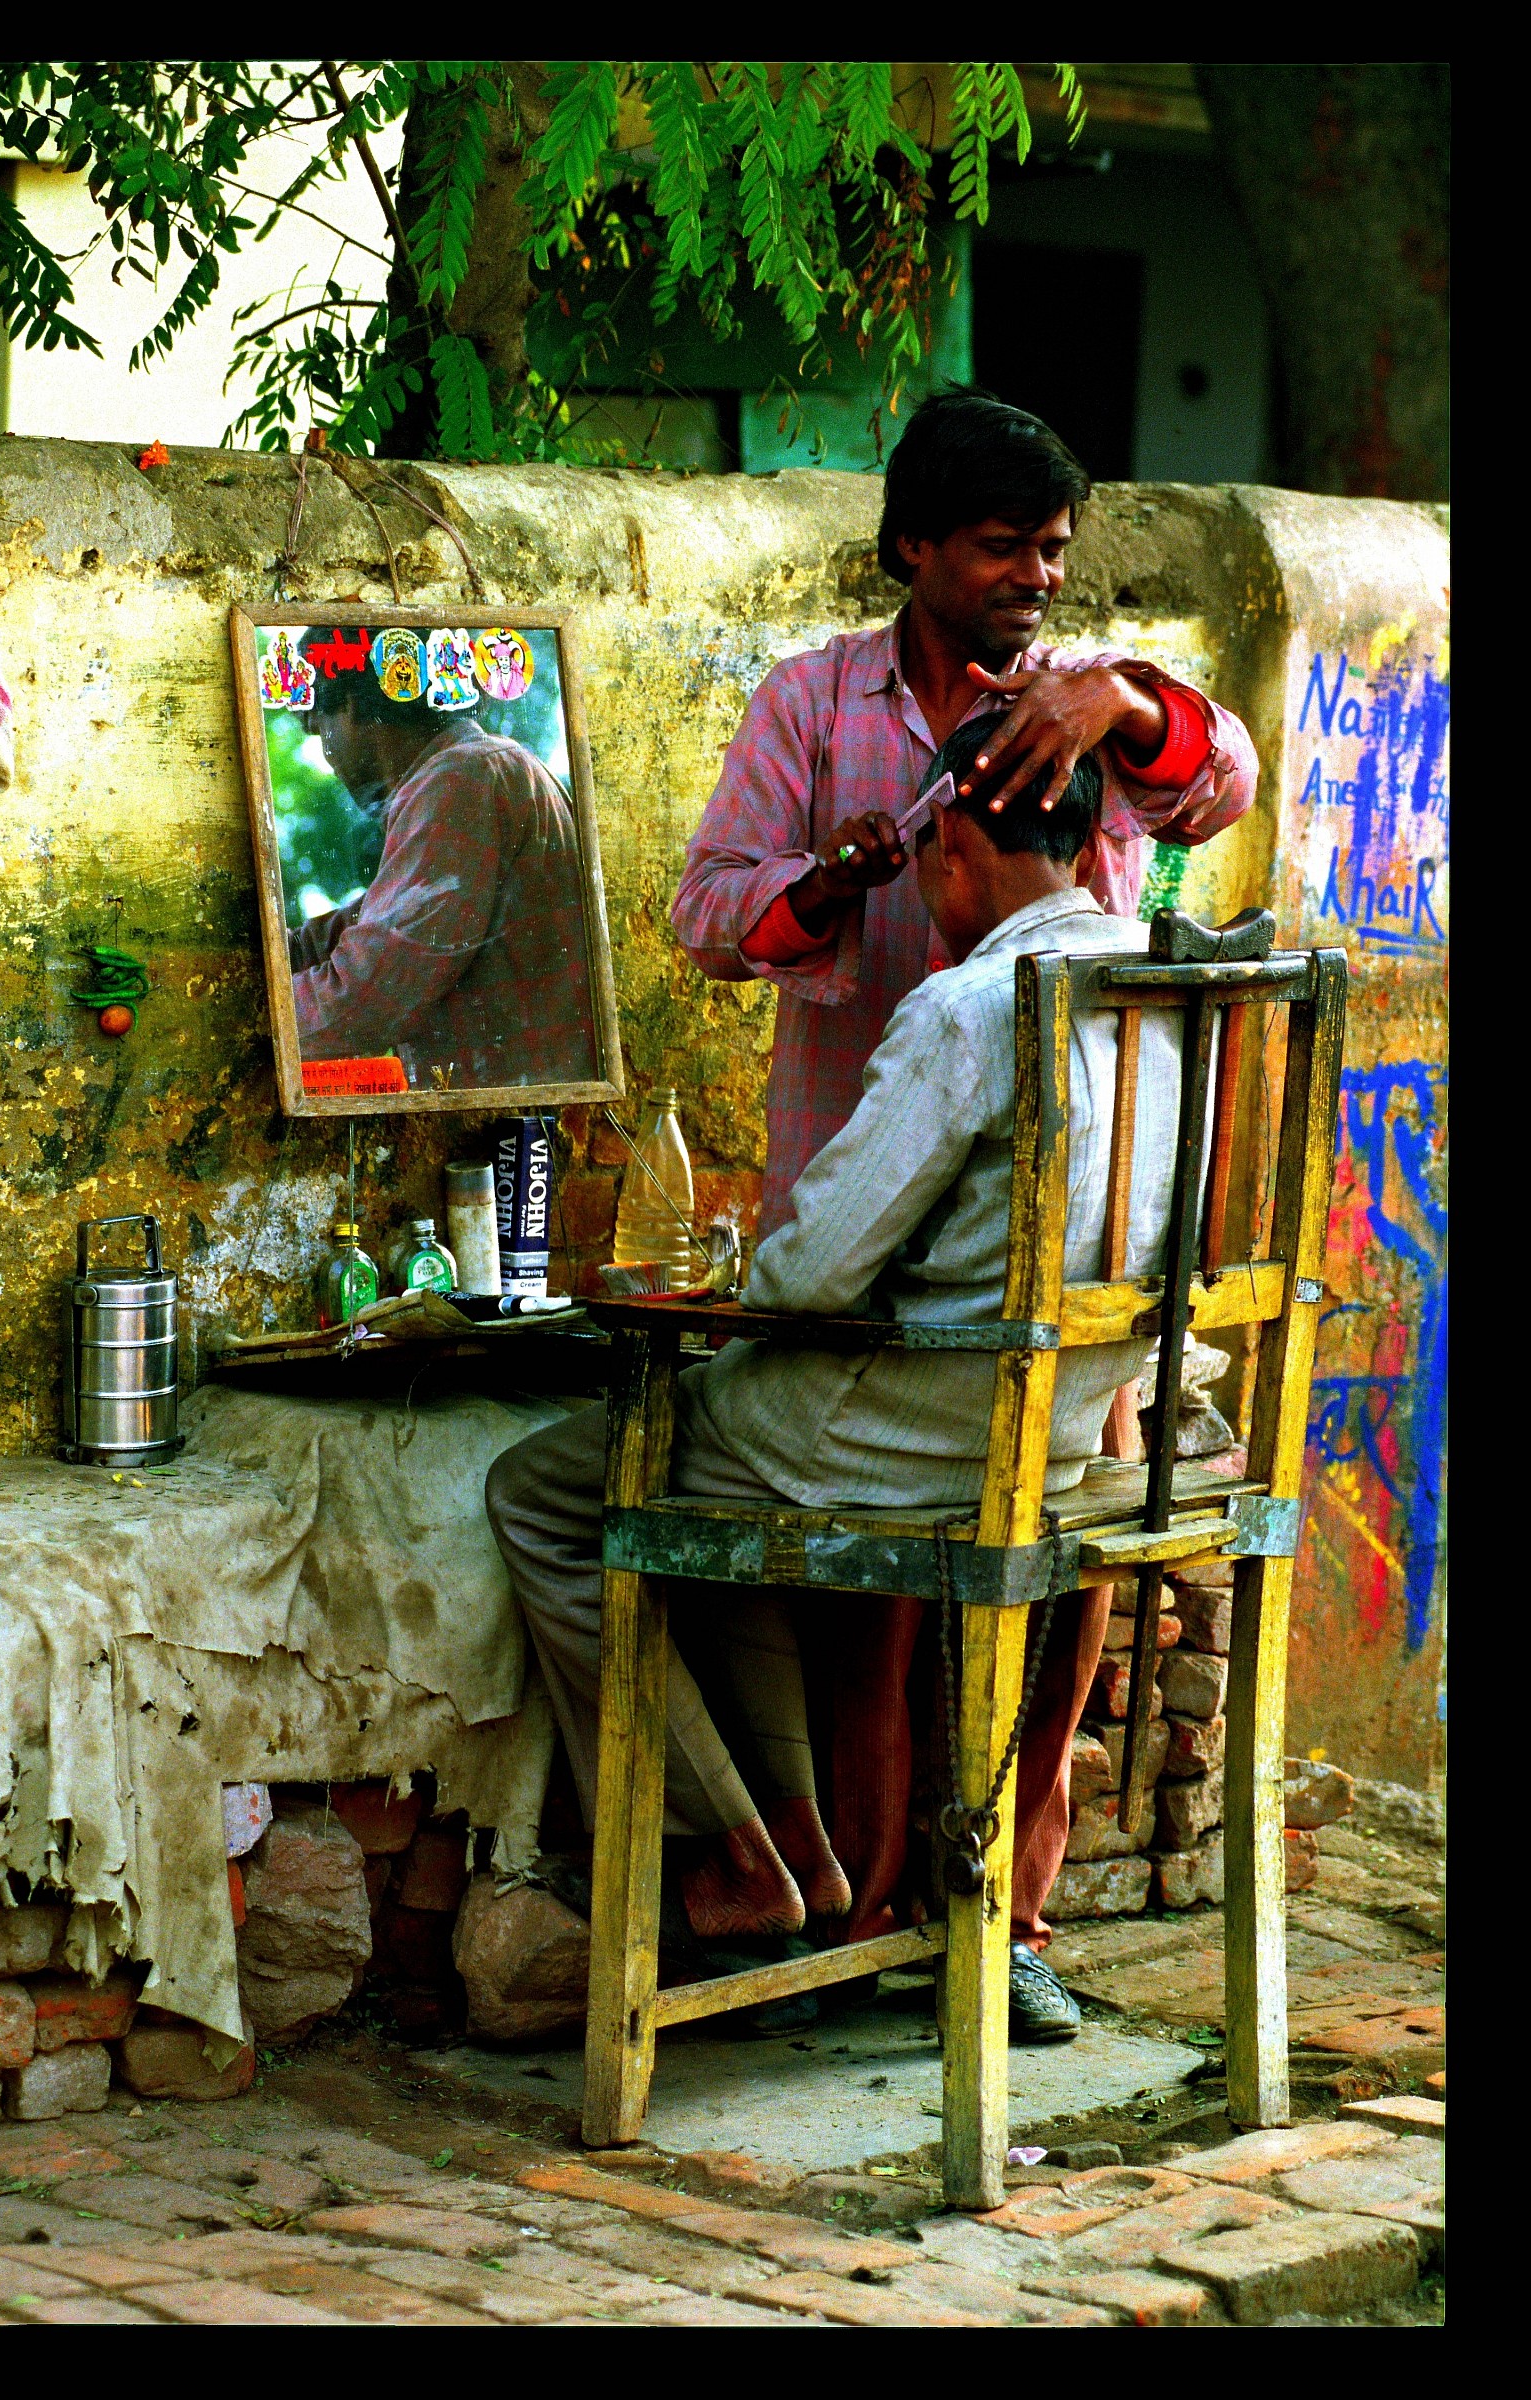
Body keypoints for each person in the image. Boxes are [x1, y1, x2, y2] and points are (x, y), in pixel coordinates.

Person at [667, 386, 1260, 1984]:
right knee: (881, 1595)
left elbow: (1223, 784)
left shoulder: (1091, 696)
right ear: (911, 546)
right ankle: (871, 1912)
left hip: (1054, 1235)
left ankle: (1008, 1913)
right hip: (867, 1177)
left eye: (1053, 551)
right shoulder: (811, 705)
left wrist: (1121, 709)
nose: (1035, 580)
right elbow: (707, 917)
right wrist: (829, 882)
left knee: (1048, 1582)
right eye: (1002, 548)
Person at [487, 745, 1190, 2039]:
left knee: (542, 1486)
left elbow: (810, 1276)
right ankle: (795, 1858)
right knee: (701, 1490)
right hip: (1060, 1437)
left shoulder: (968, 1008)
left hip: (899, 1436)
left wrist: (723, 1278)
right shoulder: (1171, 991)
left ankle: (735, 1853)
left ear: (956, 854)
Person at [287, 643, 598, 1091]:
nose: (328, 757)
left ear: (353, 705)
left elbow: (365, 998)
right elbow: (374, 925)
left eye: (321, 732)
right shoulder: (479, 768)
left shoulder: (461, 779)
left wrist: (248, 1012)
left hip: (518, 1128)